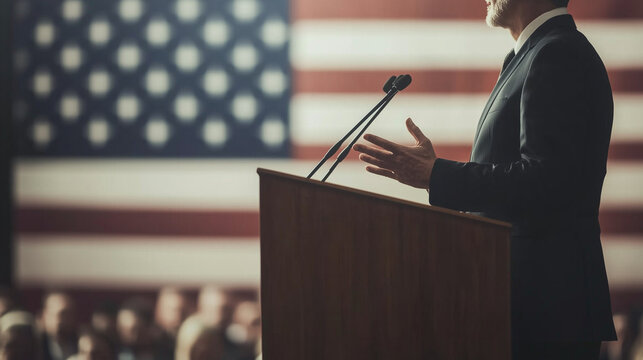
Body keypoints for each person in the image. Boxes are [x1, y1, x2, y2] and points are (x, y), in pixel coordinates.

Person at [353, 0, 616, 358]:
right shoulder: (529, 55)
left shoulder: (559, 53)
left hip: (545, 305)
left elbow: (546, 181)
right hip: (519, 299)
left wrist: (438, 175)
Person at [40, 291, 78, 360]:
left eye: (64, 315)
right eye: (53, 315)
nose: (58, 321)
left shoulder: (82, 346)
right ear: (44, 316)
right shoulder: (36, 347)